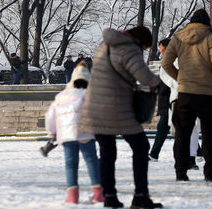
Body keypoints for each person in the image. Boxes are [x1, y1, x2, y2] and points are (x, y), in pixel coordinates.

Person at [78, 26, 161, 209]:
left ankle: (109, 196)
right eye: (145, 48)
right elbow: (142, 74)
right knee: (141, 146)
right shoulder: (129, 48)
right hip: (115, 106)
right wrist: (159, 84)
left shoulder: (105, 44)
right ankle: (140, 196)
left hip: (94, 107)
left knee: (107, 152)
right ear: (141, 41)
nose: (144, 51)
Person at [161, 8, 212, 182]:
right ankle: (210, 171)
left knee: (182, 134)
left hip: (185, 93)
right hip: (207, 93)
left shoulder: (178, 37)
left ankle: (180, 172)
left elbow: (166, 63)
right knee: (209, 134)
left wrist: (180, 78)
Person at [45, 62, 103, 204]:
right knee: (91, 162)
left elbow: (50, 116)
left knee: (70, 164)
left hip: (67, 135)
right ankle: (98, 194)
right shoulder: (91, 95)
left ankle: (72, 196)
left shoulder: (61, 96)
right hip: (86, 134)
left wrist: (52, 133)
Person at [148, 39, 171, 162]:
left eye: (161, 48)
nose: (160, 51)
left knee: (164, 128)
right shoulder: (166, 62)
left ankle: (154, 154)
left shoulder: (171, 61)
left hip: (169, 99)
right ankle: (154, 154)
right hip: (166, 99)